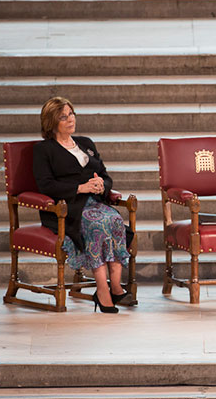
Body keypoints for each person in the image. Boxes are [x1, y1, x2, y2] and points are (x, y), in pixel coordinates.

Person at [33, 97, 133, 313]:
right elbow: (46, 185)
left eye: (71, 114)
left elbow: (105, 176)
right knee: (98, 226)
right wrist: (81, 188)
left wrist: (100, 186)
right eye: (63, 117)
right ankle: (102, 291)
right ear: (51, 122)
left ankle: (115, 286)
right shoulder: (44, 150)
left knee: (114, 220)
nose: (70, 119)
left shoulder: (86, 143)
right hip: (66, 208)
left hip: (95, 203)